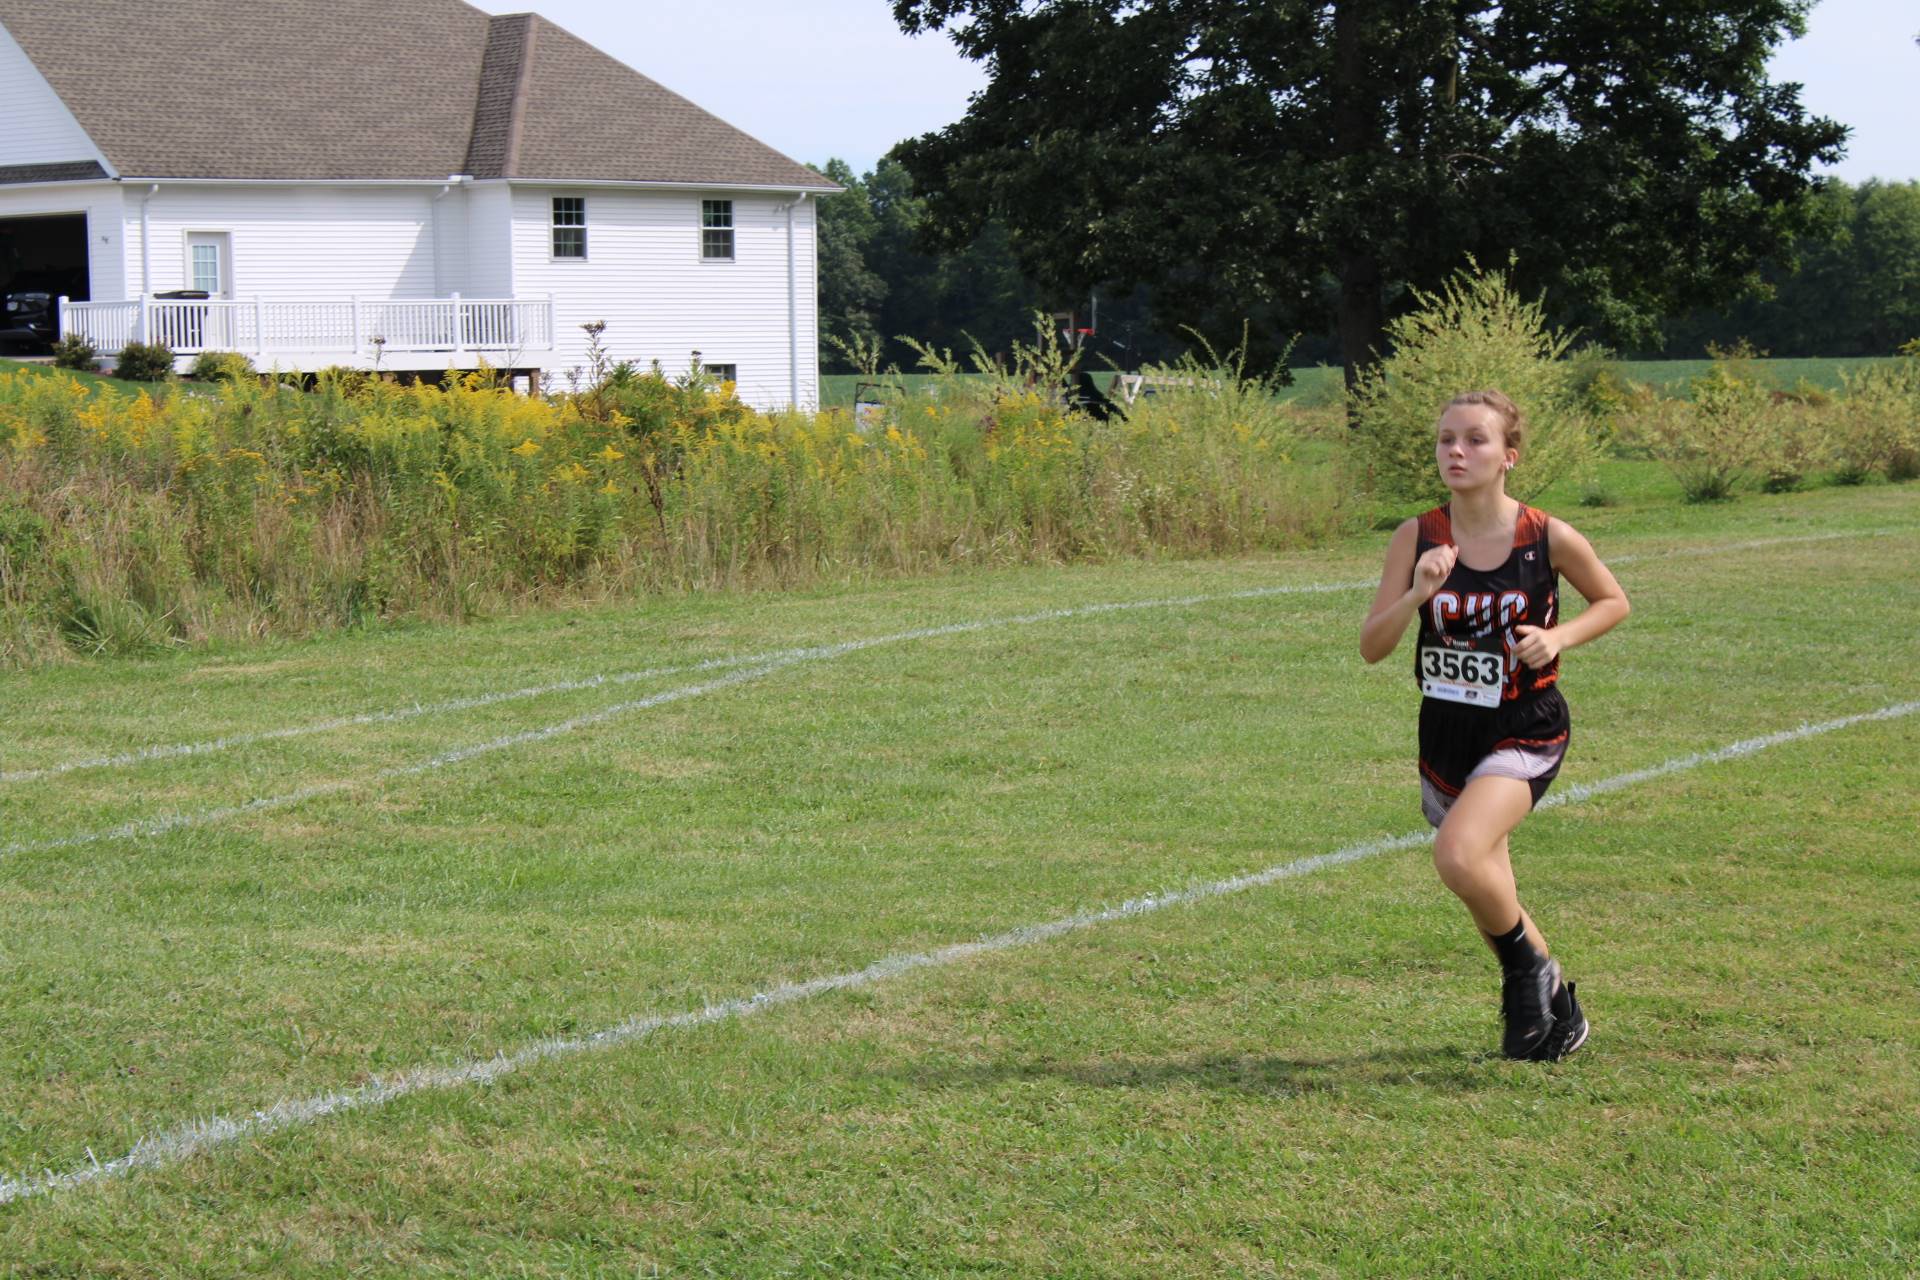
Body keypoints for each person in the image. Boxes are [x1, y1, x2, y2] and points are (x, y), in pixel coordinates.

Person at [1359, 390, 1630, 1061]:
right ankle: (1559, 1011)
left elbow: (1613, 601)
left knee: (1457, 854)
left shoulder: (1547, 536)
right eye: (1446, 439)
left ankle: (1525, 976)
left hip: (1526, 724)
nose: (1456, 451)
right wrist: (1420, 594)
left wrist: (1559, 636)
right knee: (1485, 883)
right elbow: (1372, 645)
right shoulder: (1417, 536)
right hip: (1448, 730)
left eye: (1474, 439)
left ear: (1508, 455)